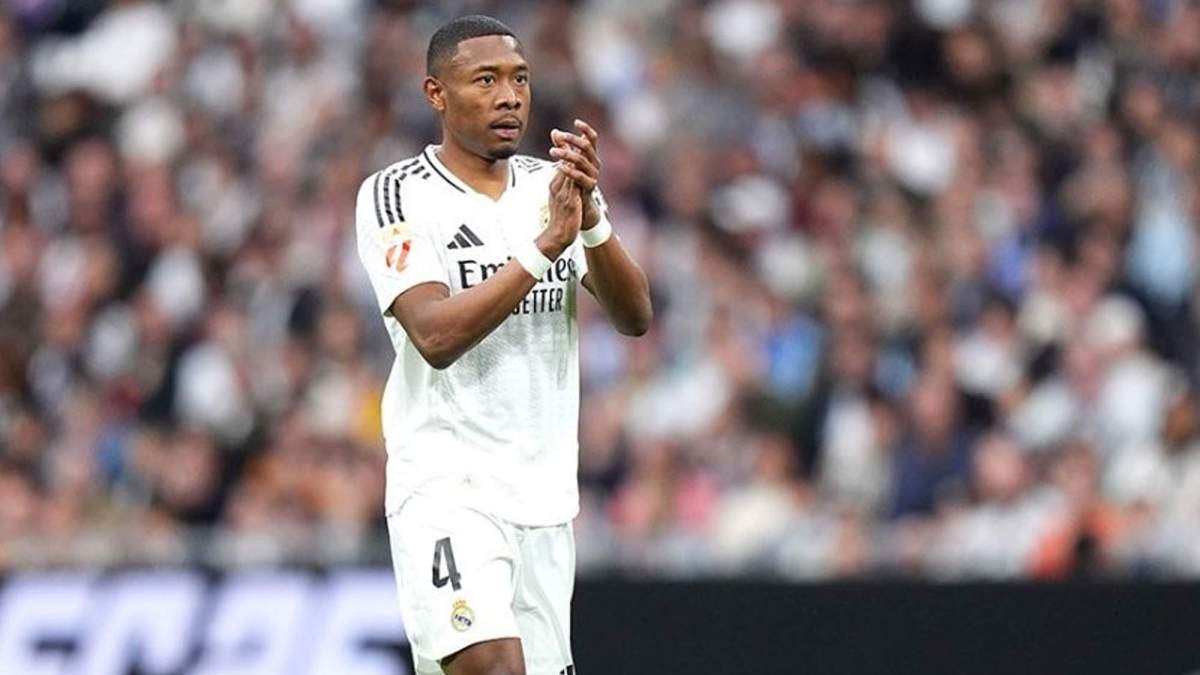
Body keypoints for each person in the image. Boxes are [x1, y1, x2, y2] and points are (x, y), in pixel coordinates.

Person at [353, 15, 652, 675]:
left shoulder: (555, 190)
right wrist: (543, 249)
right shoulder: (397, 195)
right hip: (446, 486)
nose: (509, 96)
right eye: (485, 80)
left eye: (519, 79)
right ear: (437, 94)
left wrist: (594, 222)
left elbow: (635, 316)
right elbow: (432, 334)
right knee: (494, 664)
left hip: (543, 500)